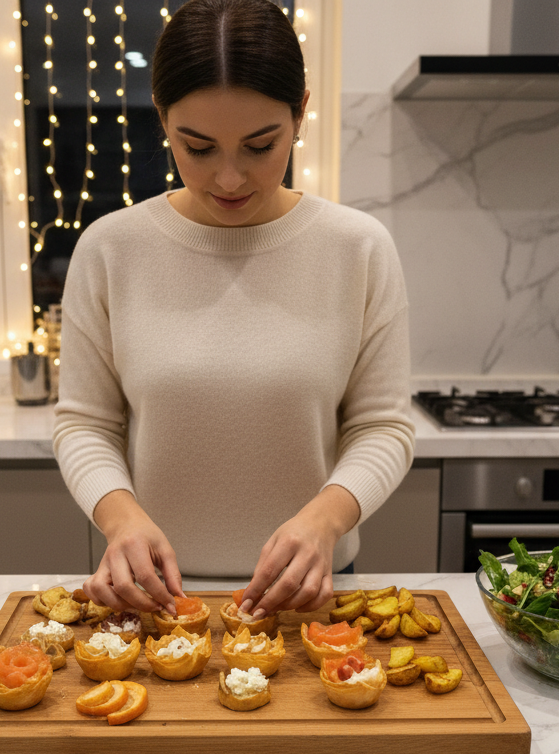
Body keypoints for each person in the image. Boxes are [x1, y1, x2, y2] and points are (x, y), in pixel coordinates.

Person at [53, 0, 414, 620]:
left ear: (300, 113)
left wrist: (326, 520)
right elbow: (86, 423)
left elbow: (383, 426)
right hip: (153, 595)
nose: (228, 178)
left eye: (259, 145)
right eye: (197, 147)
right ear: (163, 119)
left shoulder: (357, 248)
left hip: (311, 592)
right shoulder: (111, 248)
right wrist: (120, 518)